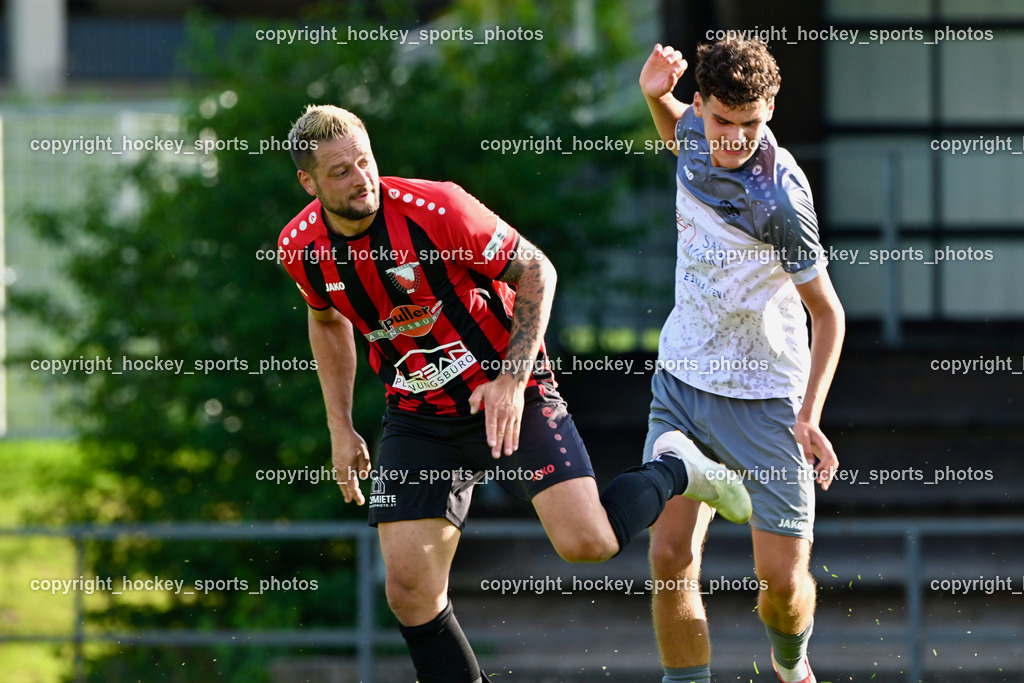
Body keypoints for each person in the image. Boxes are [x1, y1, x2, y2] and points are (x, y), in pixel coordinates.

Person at [276, 104, 751, 683]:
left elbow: (537, 271)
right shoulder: (300, 246)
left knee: (589, 543)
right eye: (340, 173)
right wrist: (340, 425)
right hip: (420, 416)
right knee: (409, 593)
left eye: (365, 161)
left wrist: (510, 379)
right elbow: (327, 322)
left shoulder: (437, 208)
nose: (361, 179)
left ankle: (677, 469)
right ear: (308, 182)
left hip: (508, 391)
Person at [638, 37, 845, 683]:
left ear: (771, 109)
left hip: (765, 399)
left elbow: (829, 314)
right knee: (669, 557)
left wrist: (809, 416)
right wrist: (653, 94)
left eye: (751, 124)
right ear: (699, 105)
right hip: (683, 383)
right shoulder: (697, 131)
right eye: (722, 121)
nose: (734, 139)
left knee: (780, 587)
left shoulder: (780, 202)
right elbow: (683, 141)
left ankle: (791, 661)